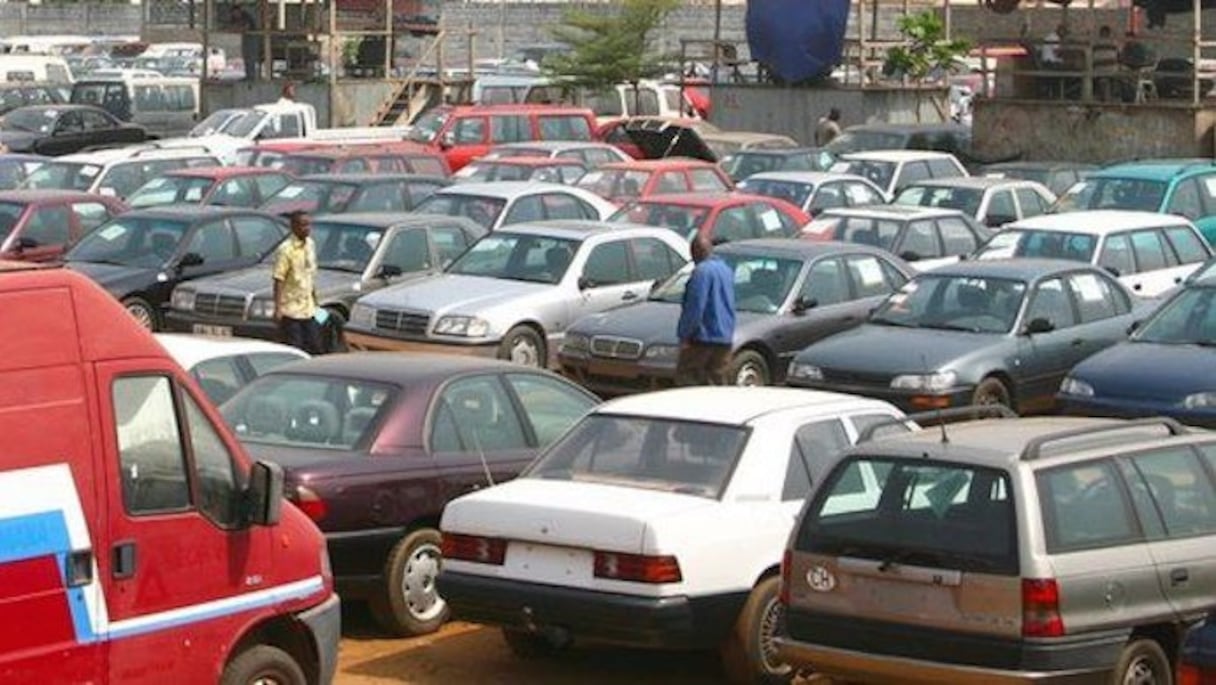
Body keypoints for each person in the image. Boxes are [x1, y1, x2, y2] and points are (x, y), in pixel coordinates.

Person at [675, 234, 736, 386]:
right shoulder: (726, 270)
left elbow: (695, 307)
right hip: (724, 338)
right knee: (717, 380)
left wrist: (684, 336)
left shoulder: (701, 272)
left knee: (688, 378)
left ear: (695, 253)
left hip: (702, 339)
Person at [274, 211, 322, 354]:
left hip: (309, 308)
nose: (306, 228)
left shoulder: (310, 245)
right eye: (302, 225)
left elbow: (310, 276)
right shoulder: (286, 249)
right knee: (295, 349)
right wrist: (278, 309)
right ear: (293, 227)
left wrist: (316, 302)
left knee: (315, 346)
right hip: (291, 310)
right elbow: (278, 279)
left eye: (308, 225)